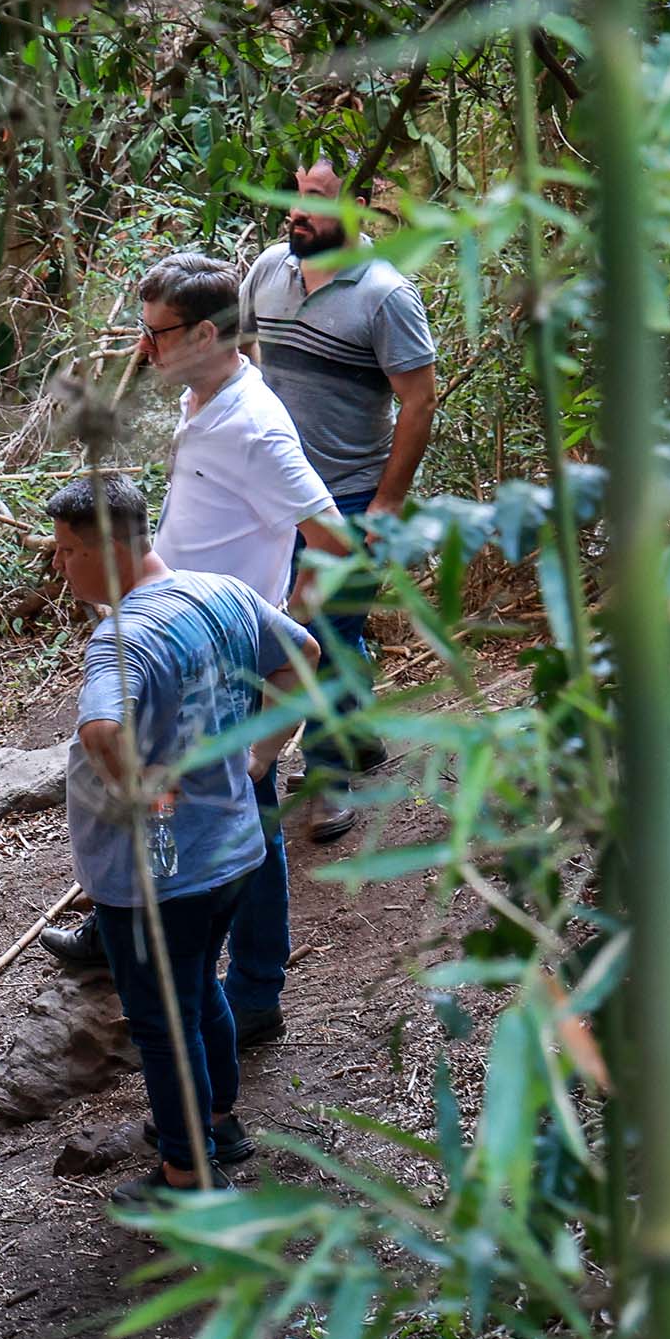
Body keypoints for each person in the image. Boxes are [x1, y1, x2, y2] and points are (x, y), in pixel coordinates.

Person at [42, 250, 346, 1054]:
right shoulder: (203, 396)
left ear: (207, 333)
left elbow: (335, 541)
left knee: (250, 810)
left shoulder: (254, 428)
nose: (142, 349)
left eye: (155, 334)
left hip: (225, 646)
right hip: (172, 629)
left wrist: (275, 620)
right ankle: (125, 933)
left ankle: (253, 991)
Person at [42, 474, 318, 1205]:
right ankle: (217, 1125)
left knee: (164, 1025)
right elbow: (304, 655)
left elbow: (103, 727)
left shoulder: (121, 640)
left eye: (68, 550)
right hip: (233, 847)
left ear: (107, 549)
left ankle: (188, 1177)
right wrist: (263, 753)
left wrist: (141, 792)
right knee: (200, 992)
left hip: (163, 873)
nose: (59, 564)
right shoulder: (220, 593)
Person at [240, 160, 442, 841]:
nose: (296, 210)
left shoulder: (385, 296)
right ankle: (356, 733)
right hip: (273, 498)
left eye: (316, 200)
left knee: (326, 633)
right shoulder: (270, 271)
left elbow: (418, 403)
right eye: (294, 193)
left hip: (347, 496)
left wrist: (386, 505)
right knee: (287, 628)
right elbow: (240, 353)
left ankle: (326, 775)